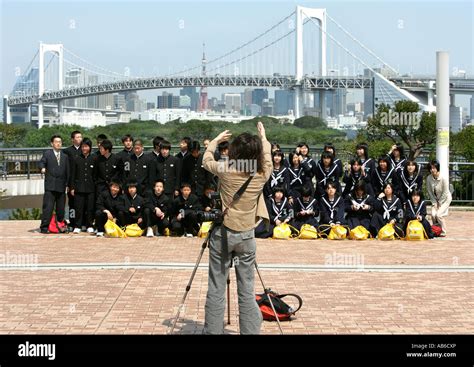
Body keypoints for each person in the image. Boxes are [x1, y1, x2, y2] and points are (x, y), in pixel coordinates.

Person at [202, 121, 272, 335]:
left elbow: (206, 160)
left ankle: (213, 331)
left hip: (222, 235)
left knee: (216, 287)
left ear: (235, 152)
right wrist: (263, 136)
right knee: (246, 290)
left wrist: (215, 141)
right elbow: (267, 155)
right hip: (246, 236)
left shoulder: (225, 169)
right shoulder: (262, 173)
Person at [39, 135, 70, 234]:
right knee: (48, 208)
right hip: (50, 186)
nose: (58, 143)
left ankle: (60, 226)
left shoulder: (65, 156)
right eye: (56, 142)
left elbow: (68, 171)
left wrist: (68, 184)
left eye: (60, 142)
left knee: (61, 209)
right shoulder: (47, 154)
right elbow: (41, 163)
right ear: (52, 143)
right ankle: (44, 227)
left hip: (61, 186)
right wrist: (42, 168)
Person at [70, 138, 95, 234]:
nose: (84, 148)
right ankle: (78, 226)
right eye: (83, 146)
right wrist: (72, 187)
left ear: (90, 147)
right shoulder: (76, 159)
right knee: (79, 208)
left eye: (86, 146)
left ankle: (89, 225)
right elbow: (72, 174)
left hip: (90, 188)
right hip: (79, 187)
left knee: (90, 208)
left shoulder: (94, 158)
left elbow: (95, 175)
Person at [426, 160, 452, 237]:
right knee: (433, 214)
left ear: (437, 168)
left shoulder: (443, 178)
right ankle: (436, 230)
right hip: (435, 200)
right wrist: (434, 202)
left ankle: (443, 231)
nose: (432, 170)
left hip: (445, 199)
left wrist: (439, 203)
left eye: (434, 168)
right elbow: (429, 191)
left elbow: (445, 192)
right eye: (430, 168)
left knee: (439, 215)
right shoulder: (429, 178)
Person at [63, 130, 83, 230]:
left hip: (82, 182)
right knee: (72, 204)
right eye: (77, 137)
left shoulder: (84, 150)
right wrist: (68, 185)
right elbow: (65, 169)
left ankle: (82, 223)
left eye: (80, 137)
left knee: (82, 204)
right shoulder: (67, 151)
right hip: (71, 181)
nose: (80, 139)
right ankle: (72, 222)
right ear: (72, 139)